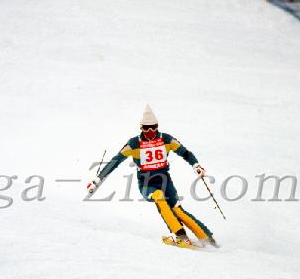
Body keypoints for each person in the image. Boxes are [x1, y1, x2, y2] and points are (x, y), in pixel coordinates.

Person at [86, 105, 217, 248]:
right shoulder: (134, 143)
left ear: (157, 126)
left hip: (165, 181)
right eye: (146, 128)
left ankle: (206, 238)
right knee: (158, 196)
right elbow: (115, 161)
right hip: (146, 183)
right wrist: (97, 180)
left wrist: (196, 165)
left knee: (178, 210)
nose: (150, 132)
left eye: (153, 127)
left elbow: (185, 153)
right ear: (141, 128)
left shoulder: (166, 139)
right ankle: (181, 235)